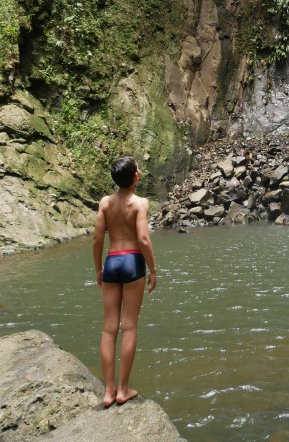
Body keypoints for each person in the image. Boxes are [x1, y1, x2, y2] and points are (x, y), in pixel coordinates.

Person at [93, 155, 157, 408]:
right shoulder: (140, 203)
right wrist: (153, 270)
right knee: (128, 327)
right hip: (132, 262)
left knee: (109, 328)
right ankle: (123, 389)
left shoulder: (105, 203)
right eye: (138, 169)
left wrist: (98, 268)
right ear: (135, 177)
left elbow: (98, 239)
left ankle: (108, 392)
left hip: (111, 261)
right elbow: (143, 239)